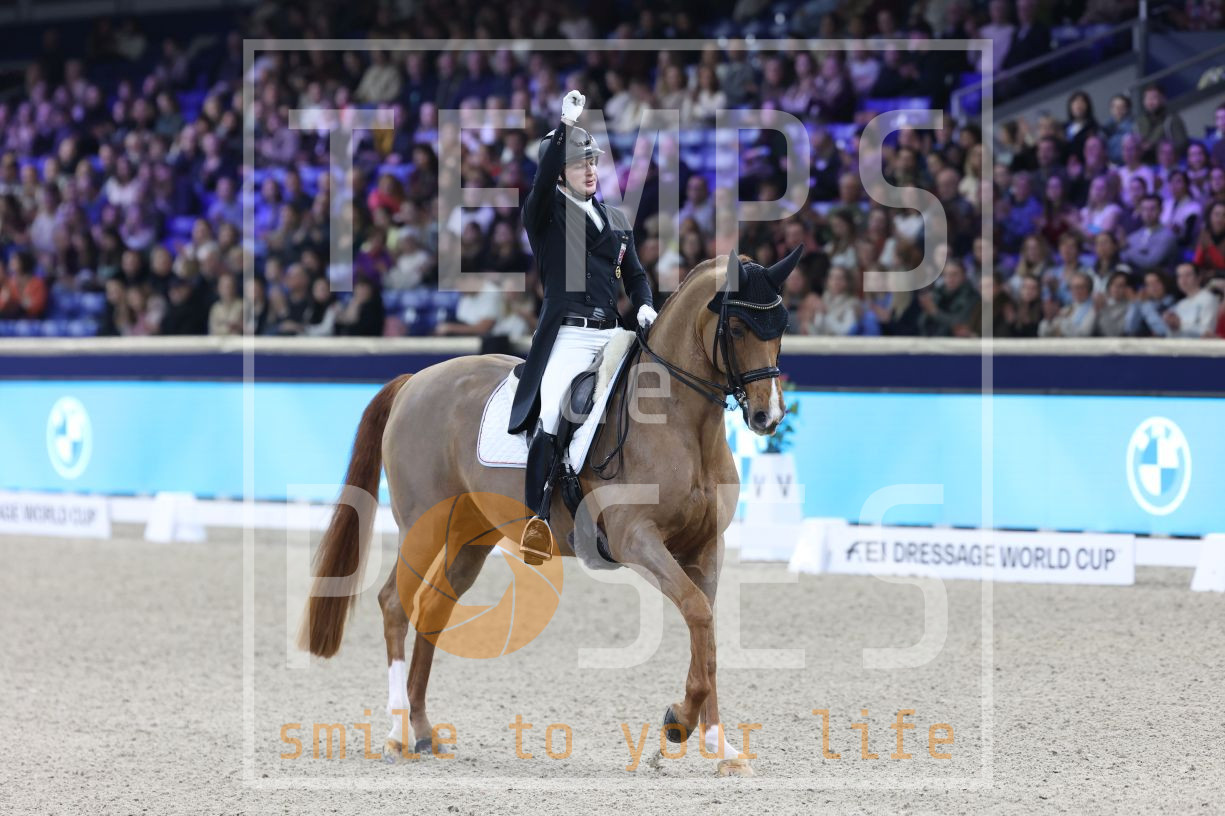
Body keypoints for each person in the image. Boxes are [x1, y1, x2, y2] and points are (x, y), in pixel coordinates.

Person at [510, 90, 656, 563]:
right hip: (568, 336)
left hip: (612, 333)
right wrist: (565, 127)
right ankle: (536, 520)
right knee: (554, 414)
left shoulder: (614, 217)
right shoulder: (545, 214)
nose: (590, 170)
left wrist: (645, 306)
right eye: (579, 164)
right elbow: (540, 182)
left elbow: (635, 275)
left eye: (592, 162)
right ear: (559, 172)